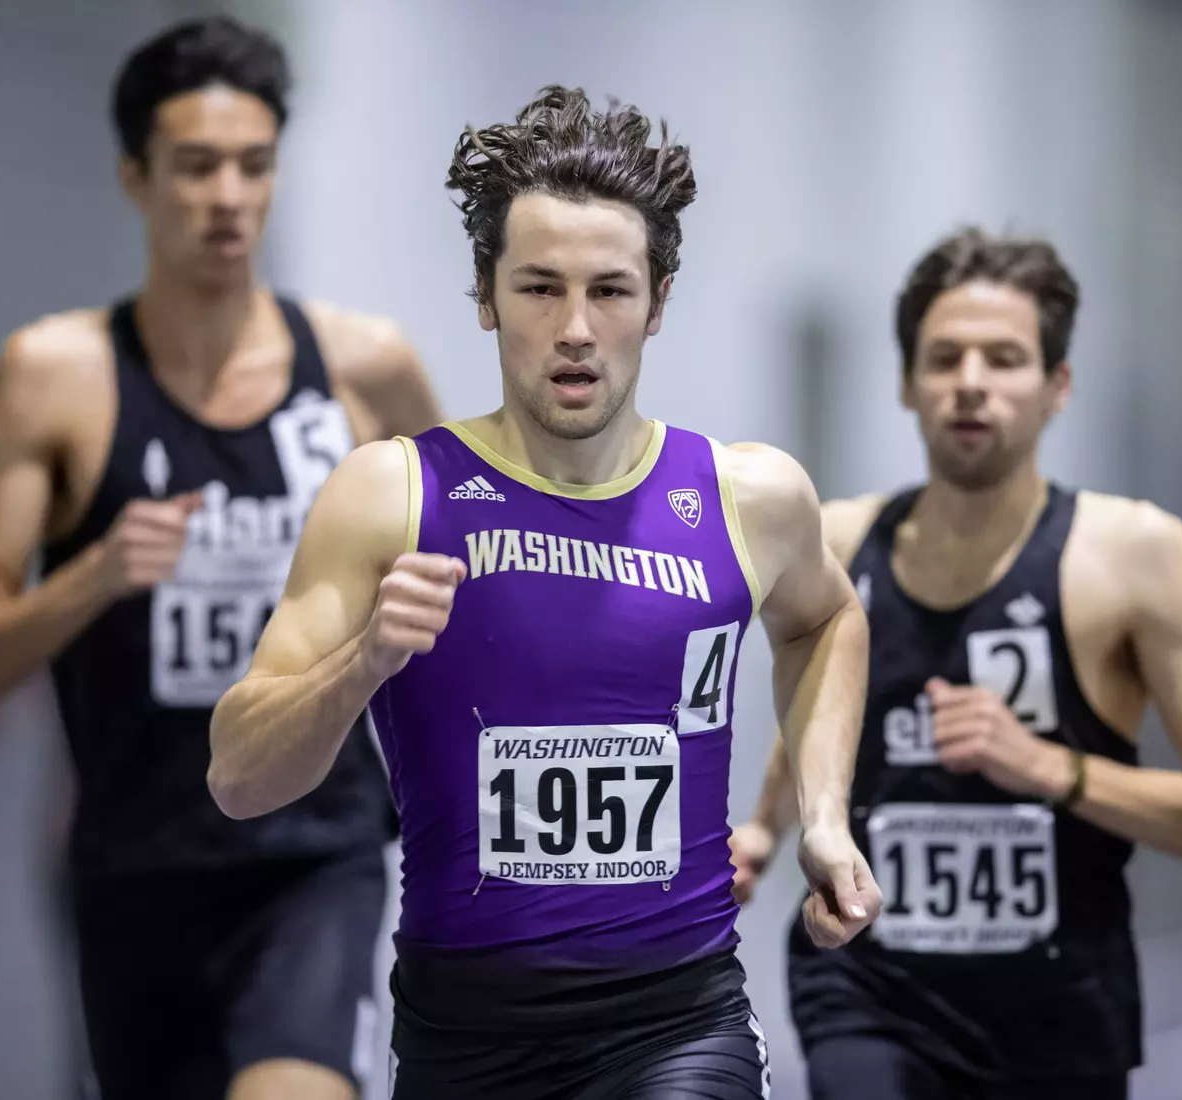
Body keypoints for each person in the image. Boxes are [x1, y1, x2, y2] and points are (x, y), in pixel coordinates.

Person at [206, 85, 881, 1099]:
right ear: (484, 296)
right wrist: (363, 662)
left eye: (609, 291)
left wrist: (822, 814)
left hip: (678, 1016)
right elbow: (239, 777)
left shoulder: (748, 495)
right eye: (536, 288)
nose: (574, 328)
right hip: (465, 1027)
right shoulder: (391, 494)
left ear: (656, 302)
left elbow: (827, 616)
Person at [0, 17, 443, 1100]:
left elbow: (468, 587)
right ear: (134, 176)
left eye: (253, 165)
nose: (227, 195)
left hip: (317, 847)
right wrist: (95, 573)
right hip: (132, 860)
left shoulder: (364, 367)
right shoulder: (53, 377)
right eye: (196, 165)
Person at [729, 228, 1182, 1100]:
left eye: (1004, 358)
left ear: (1056, 386)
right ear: (907, 384)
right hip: (869, 993)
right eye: (944, 357)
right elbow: (821, 704)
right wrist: (763, 829)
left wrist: (1047, 767)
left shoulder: (1134, 555)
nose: (971, 383)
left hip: (1058, 1018)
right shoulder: (839, 540)